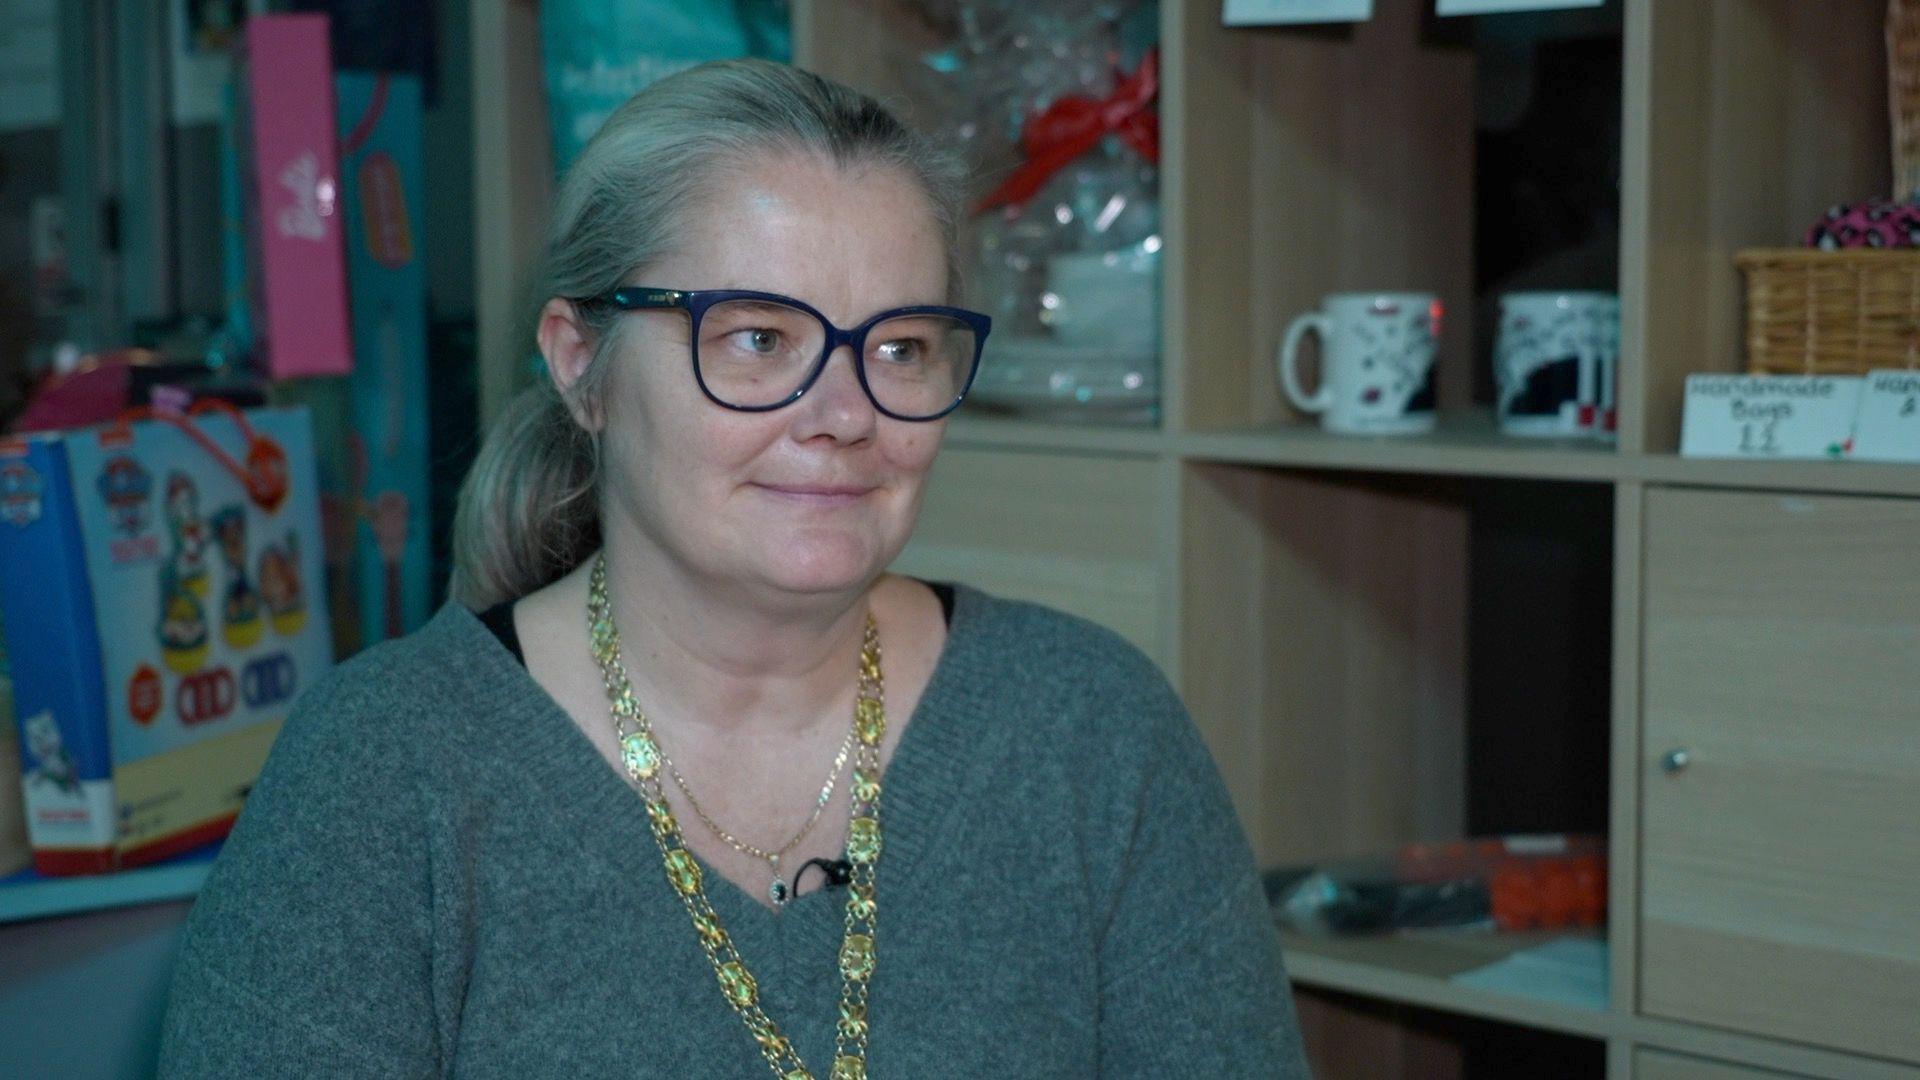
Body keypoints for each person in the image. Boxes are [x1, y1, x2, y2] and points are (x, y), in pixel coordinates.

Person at [158, 58, 1308, 1078]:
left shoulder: (1090, 733)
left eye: (899, 347)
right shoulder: (382, 775)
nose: (845, 414)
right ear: (580, 366)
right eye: (759, 338)